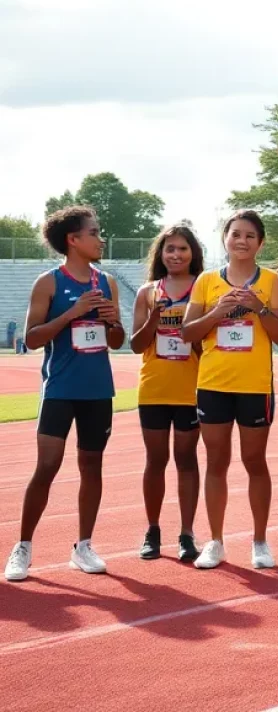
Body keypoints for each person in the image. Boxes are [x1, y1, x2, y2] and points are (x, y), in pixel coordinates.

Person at [5, 206, 125, 581]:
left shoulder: (107, 281)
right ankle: (22, 546)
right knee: (48, 465)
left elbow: (118, 340)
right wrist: (73, 313)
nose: (100, 238)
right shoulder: (49, 282)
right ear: (73, 240)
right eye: (94, 232)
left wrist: (110, 320)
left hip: (98, 390)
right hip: (59, 388)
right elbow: (32, 339)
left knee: (92, 466)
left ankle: (83, 545)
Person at [182, 210, 278, 570]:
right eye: (235, 234)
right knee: (216, 462)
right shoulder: (207, 281)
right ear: (225, 239)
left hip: (254, 386)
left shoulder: (273, 281)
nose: (241, 241)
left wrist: (257, 308)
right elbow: (188, 333)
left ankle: (259, 539)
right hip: (213, 384)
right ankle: (215, 541)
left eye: (249, 236)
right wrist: (217, 311)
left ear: (260, 243)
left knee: (255, 462)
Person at [131, 224, 205, 563]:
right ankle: (152, 529)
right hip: (155, 388)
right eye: (169, 249)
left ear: (193, 254)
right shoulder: (148, 292)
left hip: (192, 388)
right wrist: (156, 317)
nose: (175, 255)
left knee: (186, 460)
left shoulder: (204, 288)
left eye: (182, 249)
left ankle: (187, 533)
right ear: (160, 254)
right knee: (154, 460)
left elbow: (208, 342)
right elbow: (135, 344)